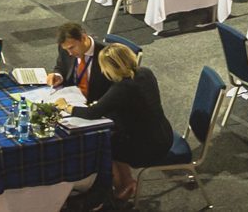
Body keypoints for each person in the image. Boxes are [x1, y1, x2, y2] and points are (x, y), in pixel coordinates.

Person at [62, 44, 170, 202]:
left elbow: (92, 113)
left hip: (148, 147)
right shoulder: (145, 73)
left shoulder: (123, 87)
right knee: (114, 138)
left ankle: (119, 189)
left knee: (102, 146)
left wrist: (66, 106)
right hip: (162, 134)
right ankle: (127, 182)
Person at [46, 20, 111, 100]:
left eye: (71, 48)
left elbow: (113, 89)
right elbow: (61, 66)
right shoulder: (66, 48)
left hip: (95, 103)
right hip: (70, 97)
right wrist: (58, 76)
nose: (69, 53)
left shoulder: (106, 55)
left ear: (83, 38)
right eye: (66, 49)